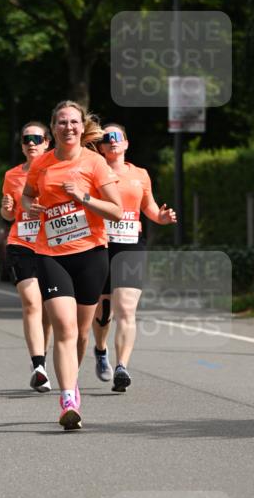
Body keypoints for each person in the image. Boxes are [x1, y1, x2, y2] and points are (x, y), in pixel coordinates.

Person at [21, 100, 123, 430]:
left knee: (80, 333)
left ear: (82, 126)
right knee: (64, 328)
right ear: (53, 128)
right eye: (62, 122)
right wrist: (31, 208)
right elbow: (27, 195)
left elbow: (116, 211)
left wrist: (83, 197)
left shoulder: (95, 163)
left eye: (74, 122)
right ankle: (67, 398)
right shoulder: (42, 164)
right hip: (50, 253)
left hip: (91, 253)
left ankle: (72, 382)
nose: (69, 127)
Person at [93, 123, 177, 392]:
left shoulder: (140, 174)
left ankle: (122, 367)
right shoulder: (94, 171)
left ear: (126, 144)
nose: (112, 141)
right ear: (101, 146)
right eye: (107, 138)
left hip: (131, 245)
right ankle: (101, 350)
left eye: (117, 137)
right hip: (100, 245)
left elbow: (149, 207)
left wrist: (160, 217)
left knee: (126, 309)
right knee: (103, 312)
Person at [1, 122, 52, 392]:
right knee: (32, 302)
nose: (31, 143)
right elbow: (9, 216)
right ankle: (39, 366)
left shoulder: (55, 170)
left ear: (47, 142)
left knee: (49, 309)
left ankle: (43, 354)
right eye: (26, 139)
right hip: (21, 242)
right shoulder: (12, 175)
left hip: (52, 245)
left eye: (36, 138)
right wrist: (7, 208)